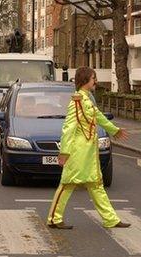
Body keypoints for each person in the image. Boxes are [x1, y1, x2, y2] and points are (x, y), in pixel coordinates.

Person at [47, 66, 131, 229]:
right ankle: (54, 219)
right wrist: (64, 152)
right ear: (85, 80)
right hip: (77, 152)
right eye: (94, 78)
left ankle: (111, 219)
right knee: (67, 184)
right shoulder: (77, 101)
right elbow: (68, 128)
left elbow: (99, 117)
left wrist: (114, 130)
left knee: (96, 184)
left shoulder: (87, 100)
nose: (96, 82)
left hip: (89, 153)